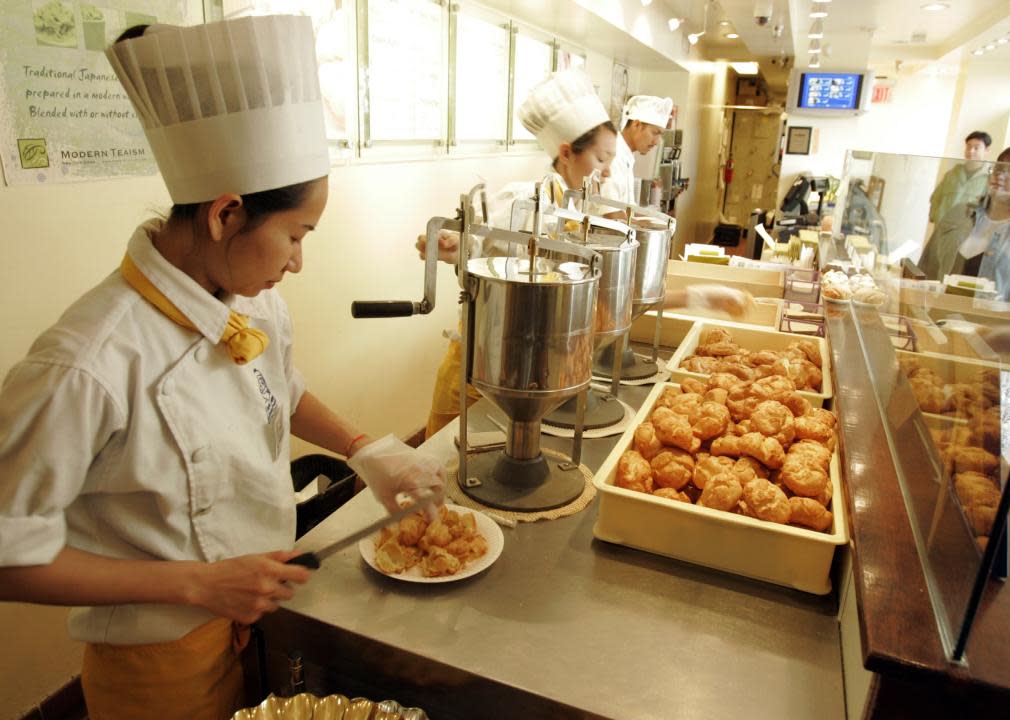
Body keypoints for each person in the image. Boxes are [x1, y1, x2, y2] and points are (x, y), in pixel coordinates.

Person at [0, 17, 443, 720]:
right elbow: (8, 557)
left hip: (258, 615)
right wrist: (197, 586)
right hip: (157, 664)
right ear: (226, 213)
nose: (299, 261)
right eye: (295, 236)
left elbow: (279, 391)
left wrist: (366, 449)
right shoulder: (85, 363)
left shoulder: (248, 298)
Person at [417, 73, 751, 438]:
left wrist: (700, 297)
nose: (608, 169)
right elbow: (475, 244)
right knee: (442, 459)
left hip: (531, 372)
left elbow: (610, 300)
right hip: (481, 367)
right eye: (601, 157)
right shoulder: (524, 202)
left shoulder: (576, 215)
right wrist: (449, 244)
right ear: (566, 153)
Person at [919, 131, 992, 278]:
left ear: (987, 151)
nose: (971, 151)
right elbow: (936, 198)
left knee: (949, 277)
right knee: (928, 273)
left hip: (963, 239)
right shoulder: (953, 173)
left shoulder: (989, 179)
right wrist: (936, 218)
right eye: (968, 146)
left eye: (976, 147)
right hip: (940, 233)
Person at [949, 147, 1010, 301]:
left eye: (1009, 171)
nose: (1001, 175)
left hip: (990, 322)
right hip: (939, 316)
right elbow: (929, 265)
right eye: (999, 167)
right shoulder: (961, 213)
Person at [599, 94, 674, 209]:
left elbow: (627, 209)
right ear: (637, 125)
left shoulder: (627, 156)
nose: (657, 142)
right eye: (655, 133)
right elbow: (610, 214)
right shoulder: (614, 155)